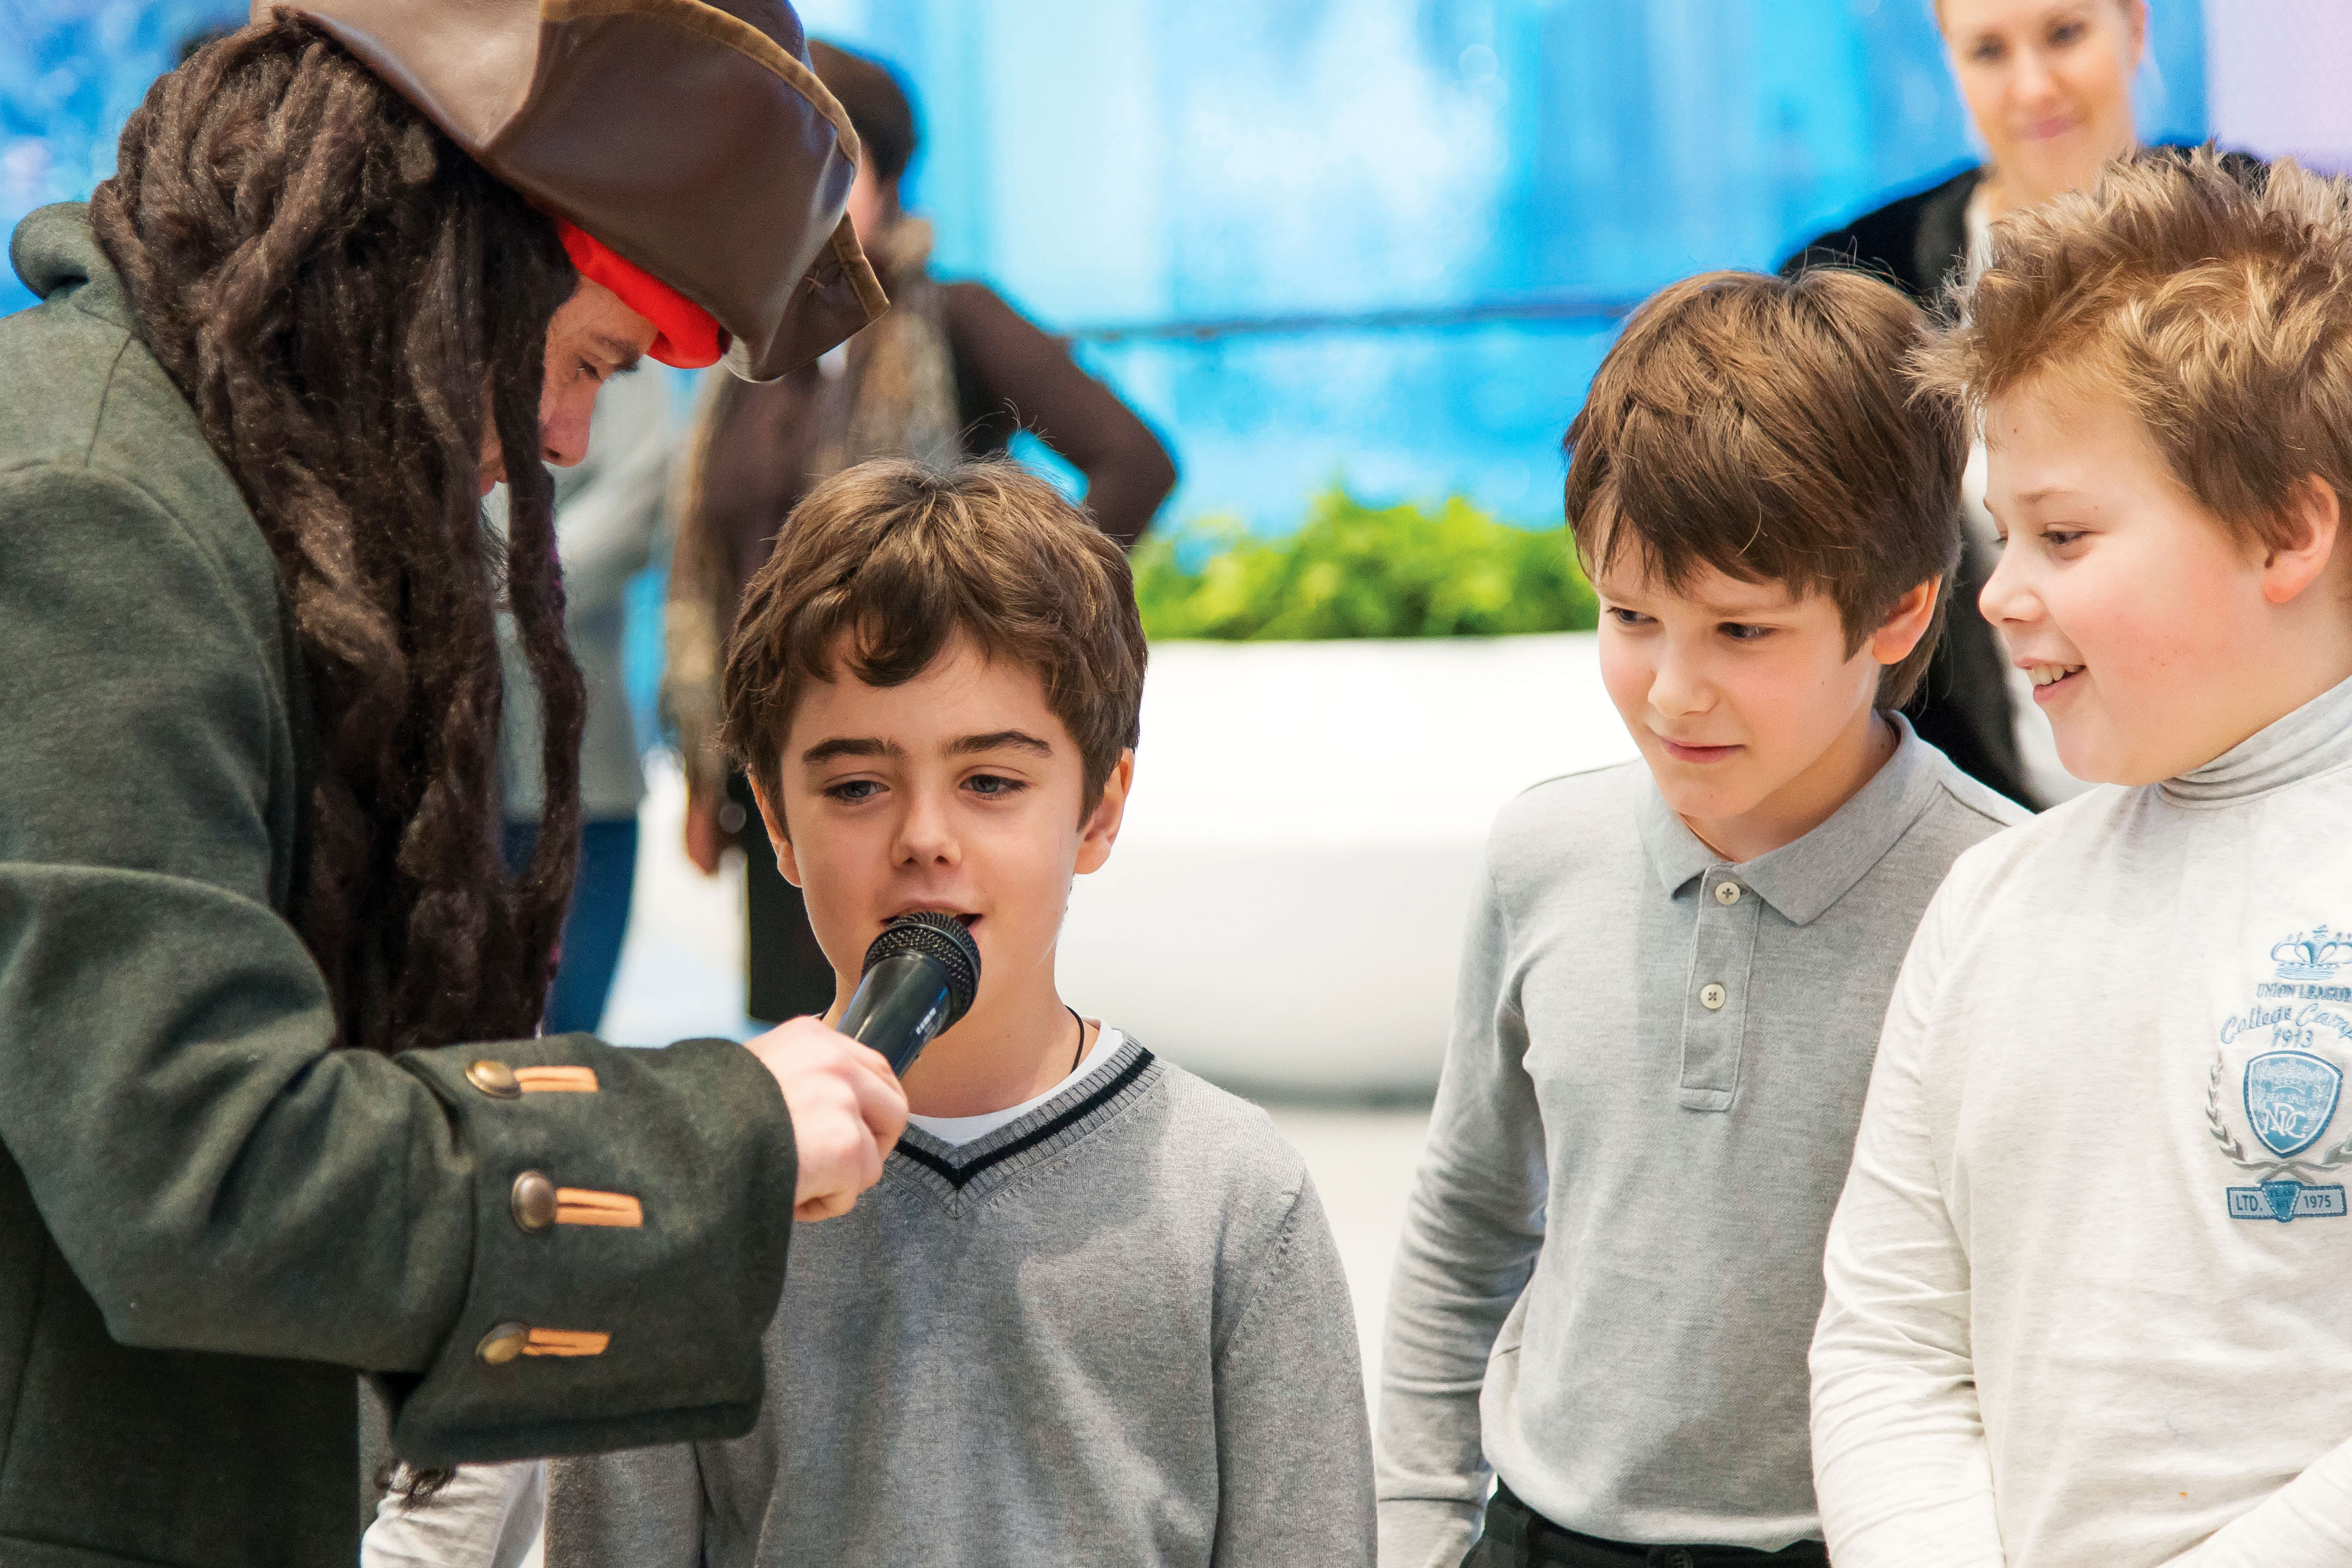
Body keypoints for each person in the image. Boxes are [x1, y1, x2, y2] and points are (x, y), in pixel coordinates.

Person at [0, 7, 907, 1563]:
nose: (567, 436)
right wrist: (721, 1134)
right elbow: (199, 1168)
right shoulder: (91, 508)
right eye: (587, 360)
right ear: (442, 242)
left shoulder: (192, 475)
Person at [541, 458, 1374, 1565]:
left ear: (1098, 811)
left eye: (991, 782)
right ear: (776, 821)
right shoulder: (698, 1184)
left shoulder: (1230, 1195)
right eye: (856, 786)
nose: (925, 837)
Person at [1375, 269, 2030, 1568]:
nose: (1674, 690)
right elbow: (1466, 1216)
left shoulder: (2000, 897)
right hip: (1540, 1533)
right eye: (1631, 616)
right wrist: (1416, 1526)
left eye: (1740, 629)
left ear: (1899, 610)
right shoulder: (1543, 852)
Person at [1810, 151, 2352, 1567]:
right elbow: (1888, 1342)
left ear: (2287, 530)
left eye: (2062, 534)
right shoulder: (1990, 900)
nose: (1998, 593)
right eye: (2004, 536)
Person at [665, 40, 1178, 1026]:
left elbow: (1136, 462)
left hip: (920, 746)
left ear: (886, 179)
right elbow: (720, 564)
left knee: (924, 1030)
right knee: (810, 1036)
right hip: (800, 755)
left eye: (823, 171)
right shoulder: (755, 353)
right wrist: (705, 771)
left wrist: (1017, 618)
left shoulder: (950, 317)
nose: (790, 201)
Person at [1782, 0, 2155, 811]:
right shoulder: (1858, 280)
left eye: (2064, 34)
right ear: (1949, 58)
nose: (2034, 87)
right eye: (1988, 51)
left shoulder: (2284, 243)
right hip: (1990, 823)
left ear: (2133, 26)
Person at [493, 364, 673, 1036]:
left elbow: (637, 505)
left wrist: (489, 593)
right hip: (449, 763)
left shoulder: (625, 357)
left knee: (570, 1033)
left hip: (583, 775)